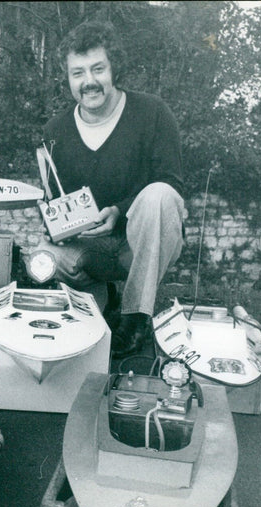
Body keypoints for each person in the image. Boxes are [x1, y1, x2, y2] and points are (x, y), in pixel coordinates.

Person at [36, 21, 186, 358]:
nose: (88, 81)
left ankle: (134, 319)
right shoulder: (55, 130)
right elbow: (52, 204)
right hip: (91, 248)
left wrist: (118, 210)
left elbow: (173, 185)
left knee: (159, 195)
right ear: (68, 78)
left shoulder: (153, 113)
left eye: (97, 69)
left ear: (113, 68)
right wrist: (56, 225)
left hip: (142, 244)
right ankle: (101, 301)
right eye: (78, 73)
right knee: (41, 256)